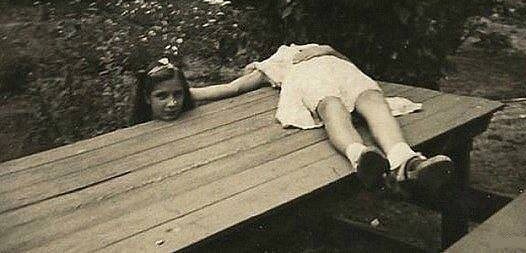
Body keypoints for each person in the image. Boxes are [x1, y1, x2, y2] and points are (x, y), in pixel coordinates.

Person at [132, 44, 454, 192]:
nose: (249, 67)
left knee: (372, 99)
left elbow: (346, 60)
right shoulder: (271, 65)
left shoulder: (315, 48)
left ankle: (406, 160)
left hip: (341, 68)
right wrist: (184, 95)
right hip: (310, 78)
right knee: (331, 106)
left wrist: (328, 50)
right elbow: (232, 87)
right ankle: (361, 156)